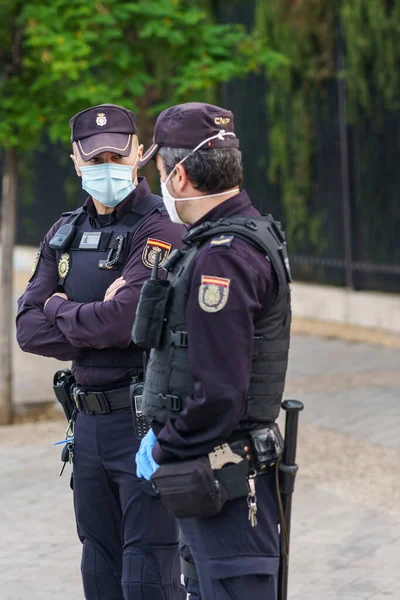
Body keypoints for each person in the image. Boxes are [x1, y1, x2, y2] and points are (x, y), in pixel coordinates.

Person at [16, 104, 186, 600]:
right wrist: (90, 317)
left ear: (139, 152)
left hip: (142, 423)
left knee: (147, 573)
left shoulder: (158, 231)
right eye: (95, 158)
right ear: (75, 161)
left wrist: (60, 306)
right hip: (86, 425)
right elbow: (28, 330)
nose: (107, 164)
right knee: (99, 568)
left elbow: (125, 322)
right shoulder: (64, 232)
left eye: (117, 153)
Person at [134, 102, 292, 600]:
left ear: (179, 176)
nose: (159, 181)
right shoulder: (227, 240)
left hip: (228, 488)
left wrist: (164, 447)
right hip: (215, 484)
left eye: (159, 170)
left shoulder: (224, 255)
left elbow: (221, 393)